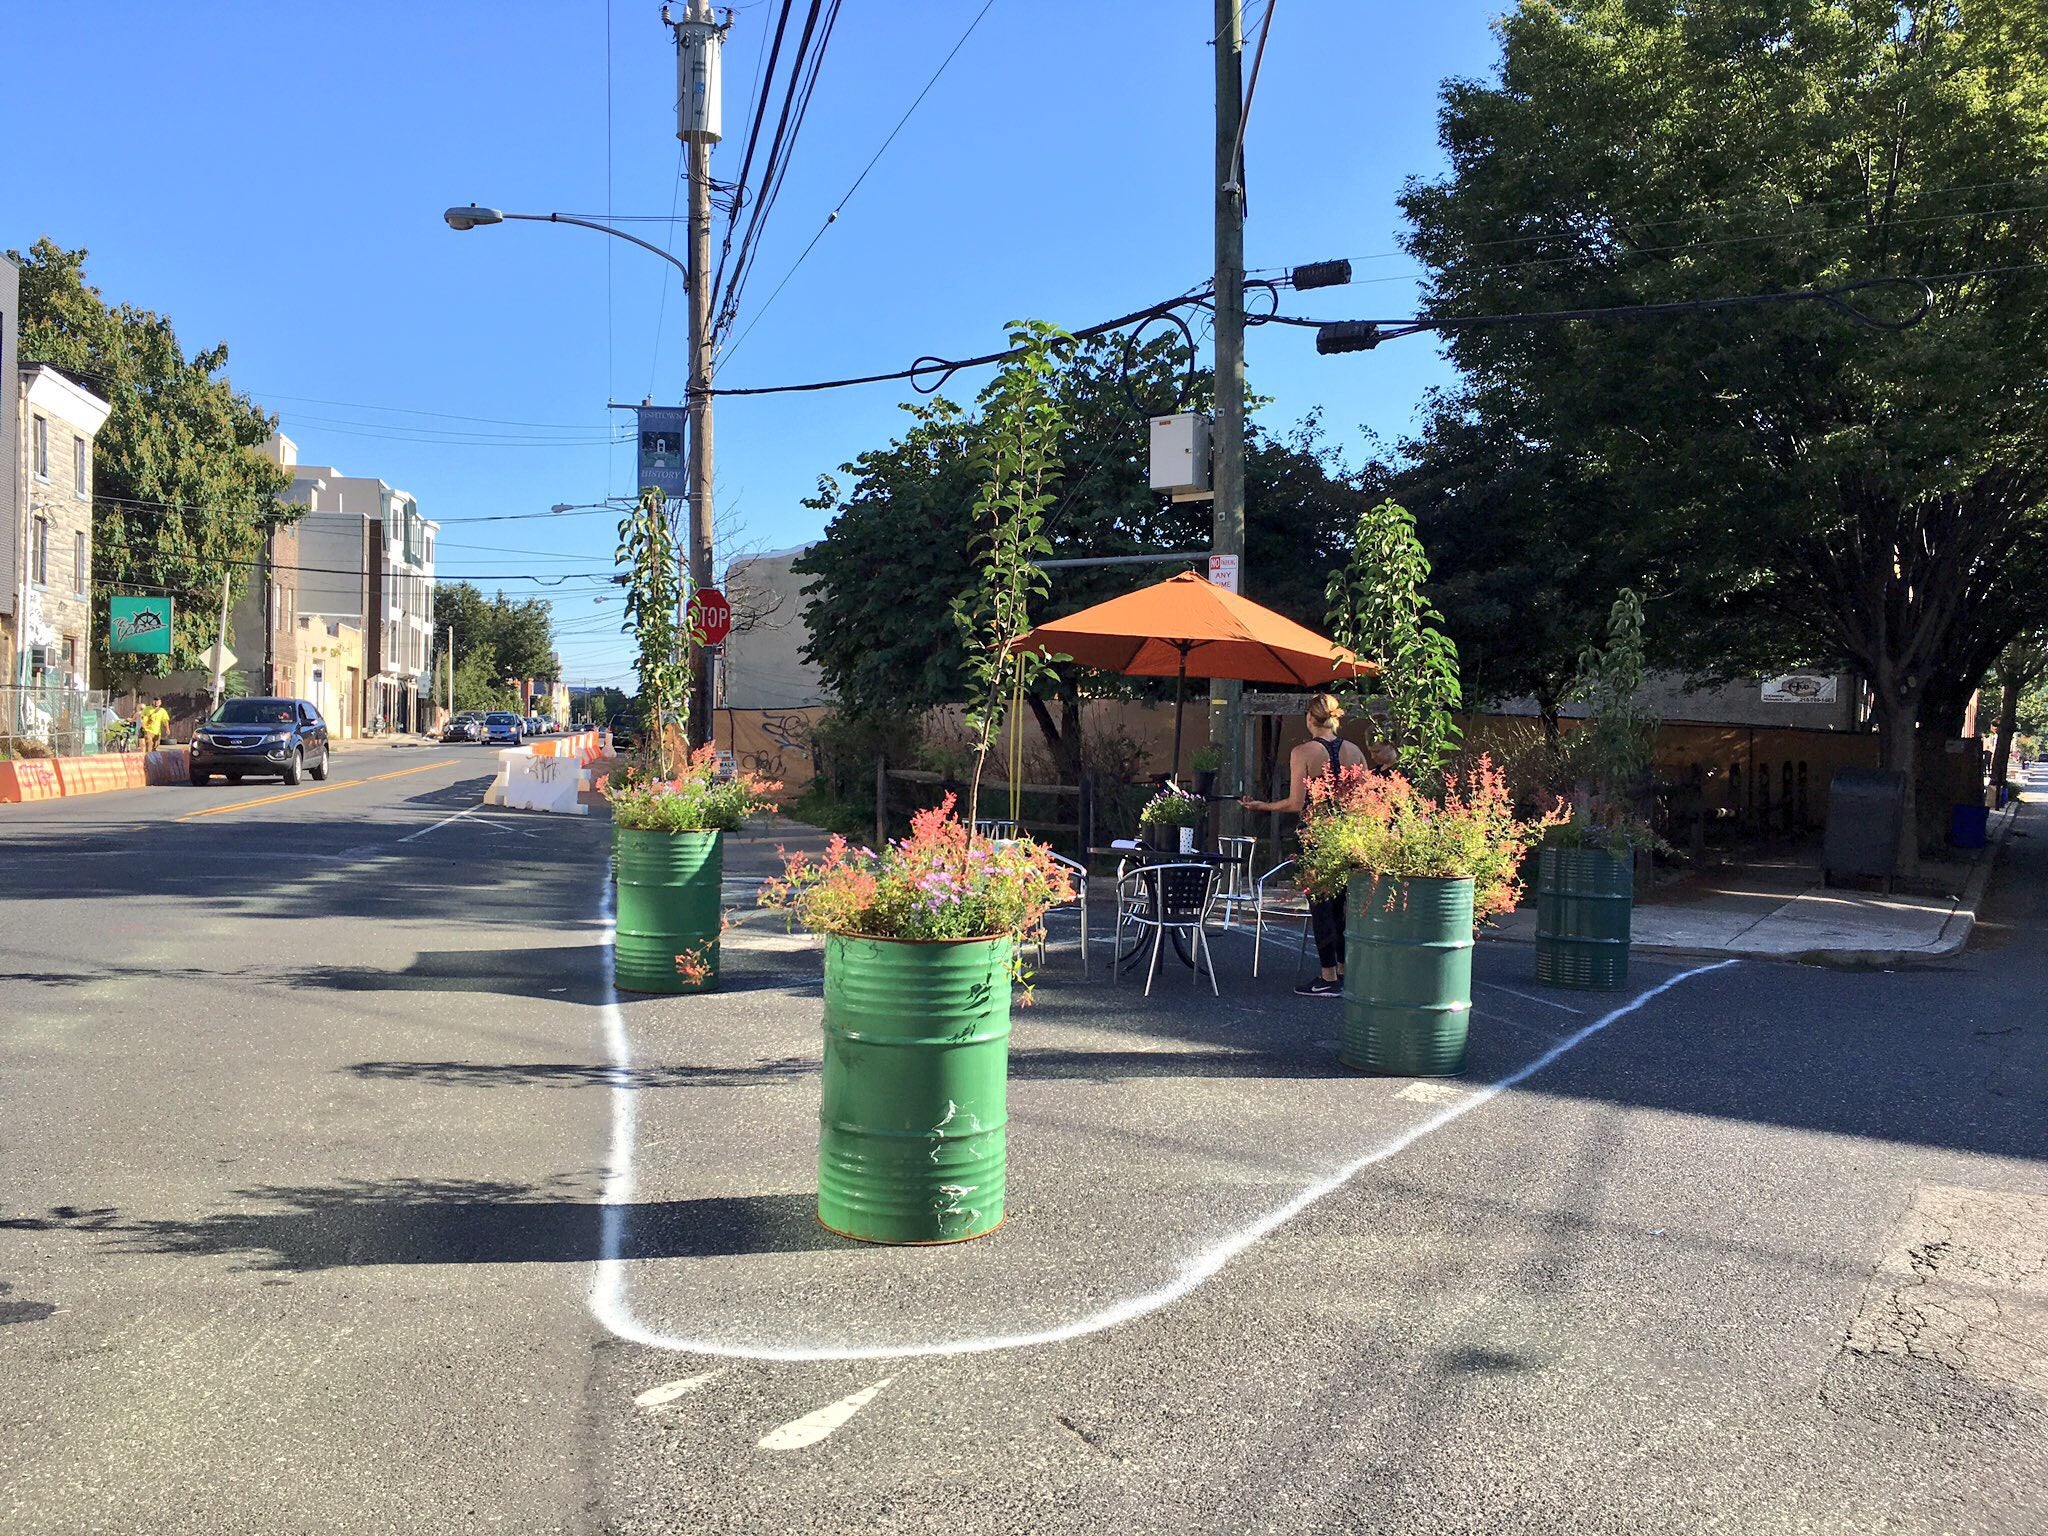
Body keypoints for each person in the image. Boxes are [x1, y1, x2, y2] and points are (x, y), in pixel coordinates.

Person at [1239, 693, 1393, 998]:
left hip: (1317, 836)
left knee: (1321, 906)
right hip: (1349, 836)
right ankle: (1345, 971)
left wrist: (1261, 806)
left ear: (1310, 718)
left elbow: (1296, 803)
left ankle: (1327, 976)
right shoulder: (1354, 751)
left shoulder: (1303, 752)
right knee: (1343, 907)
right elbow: (1366, 800)